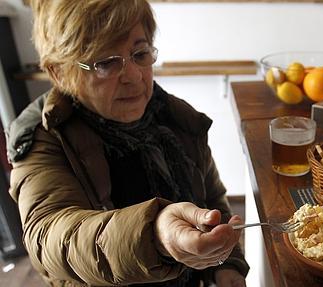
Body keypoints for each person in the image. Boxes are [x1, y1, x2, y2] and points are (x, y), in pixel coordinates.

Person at [5, 0, 249, 286]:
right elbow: (49, 240)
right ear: (59, 72)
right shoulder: (45, 135)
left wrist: (225, 263)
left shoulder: (174, 117)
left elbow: (211, 196)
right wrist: (153, 235)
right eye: (106, 63)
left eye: (140, 53)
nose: (134, 76)